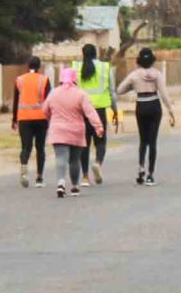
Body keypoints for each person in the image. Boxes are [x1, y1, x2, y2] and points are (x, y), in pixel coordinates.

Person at [114, 48, 175, 185]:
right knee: (153, 142)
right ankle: (150, 175)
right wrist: (170, 109)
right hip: (154, 105)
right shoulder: (157, 74)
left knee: (143, 140)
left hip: (141, 106)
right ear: (152, 60)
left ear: (139, 61)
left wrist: (134, 87)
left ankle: (141, 167)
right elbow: (164, 94)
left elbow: (120, 89)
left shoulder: (135, 75)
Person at [44, 67, 103, 197]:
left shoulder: (54, 93)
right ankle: (75, 186)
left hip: (58, 130)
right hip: (76, 130)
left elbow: (45, 110)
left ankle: (60, 183)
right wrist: (98, 126)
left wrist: (51, 119)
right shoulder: (81, 94)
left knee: (60, 157)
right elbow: (90, 112)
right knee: (74, 159)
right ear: (75, 79)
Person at [76, 44, 115, 185]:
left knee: (84, 143)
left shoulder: (76, 68)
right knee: (100, 141)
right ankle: (98, 162)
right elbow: (112, 91)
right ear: (96, 53)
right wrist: (115, 111)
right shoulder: (105, 67)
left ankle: (85, 177)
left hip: (81, 111)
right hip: (99, 110)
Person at [11, 57, 51, 188]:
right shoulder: (44, 79)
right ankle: (39, 178)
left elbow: (16, 101)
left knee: (26, 147)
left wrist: (14, 119)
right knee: (40, 148)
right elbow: (49, 100)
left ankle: (23, 168)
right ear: (39, 66)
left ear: (28, 66)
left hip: (24, 117)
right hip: (41, 117)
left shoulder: (20, 80)